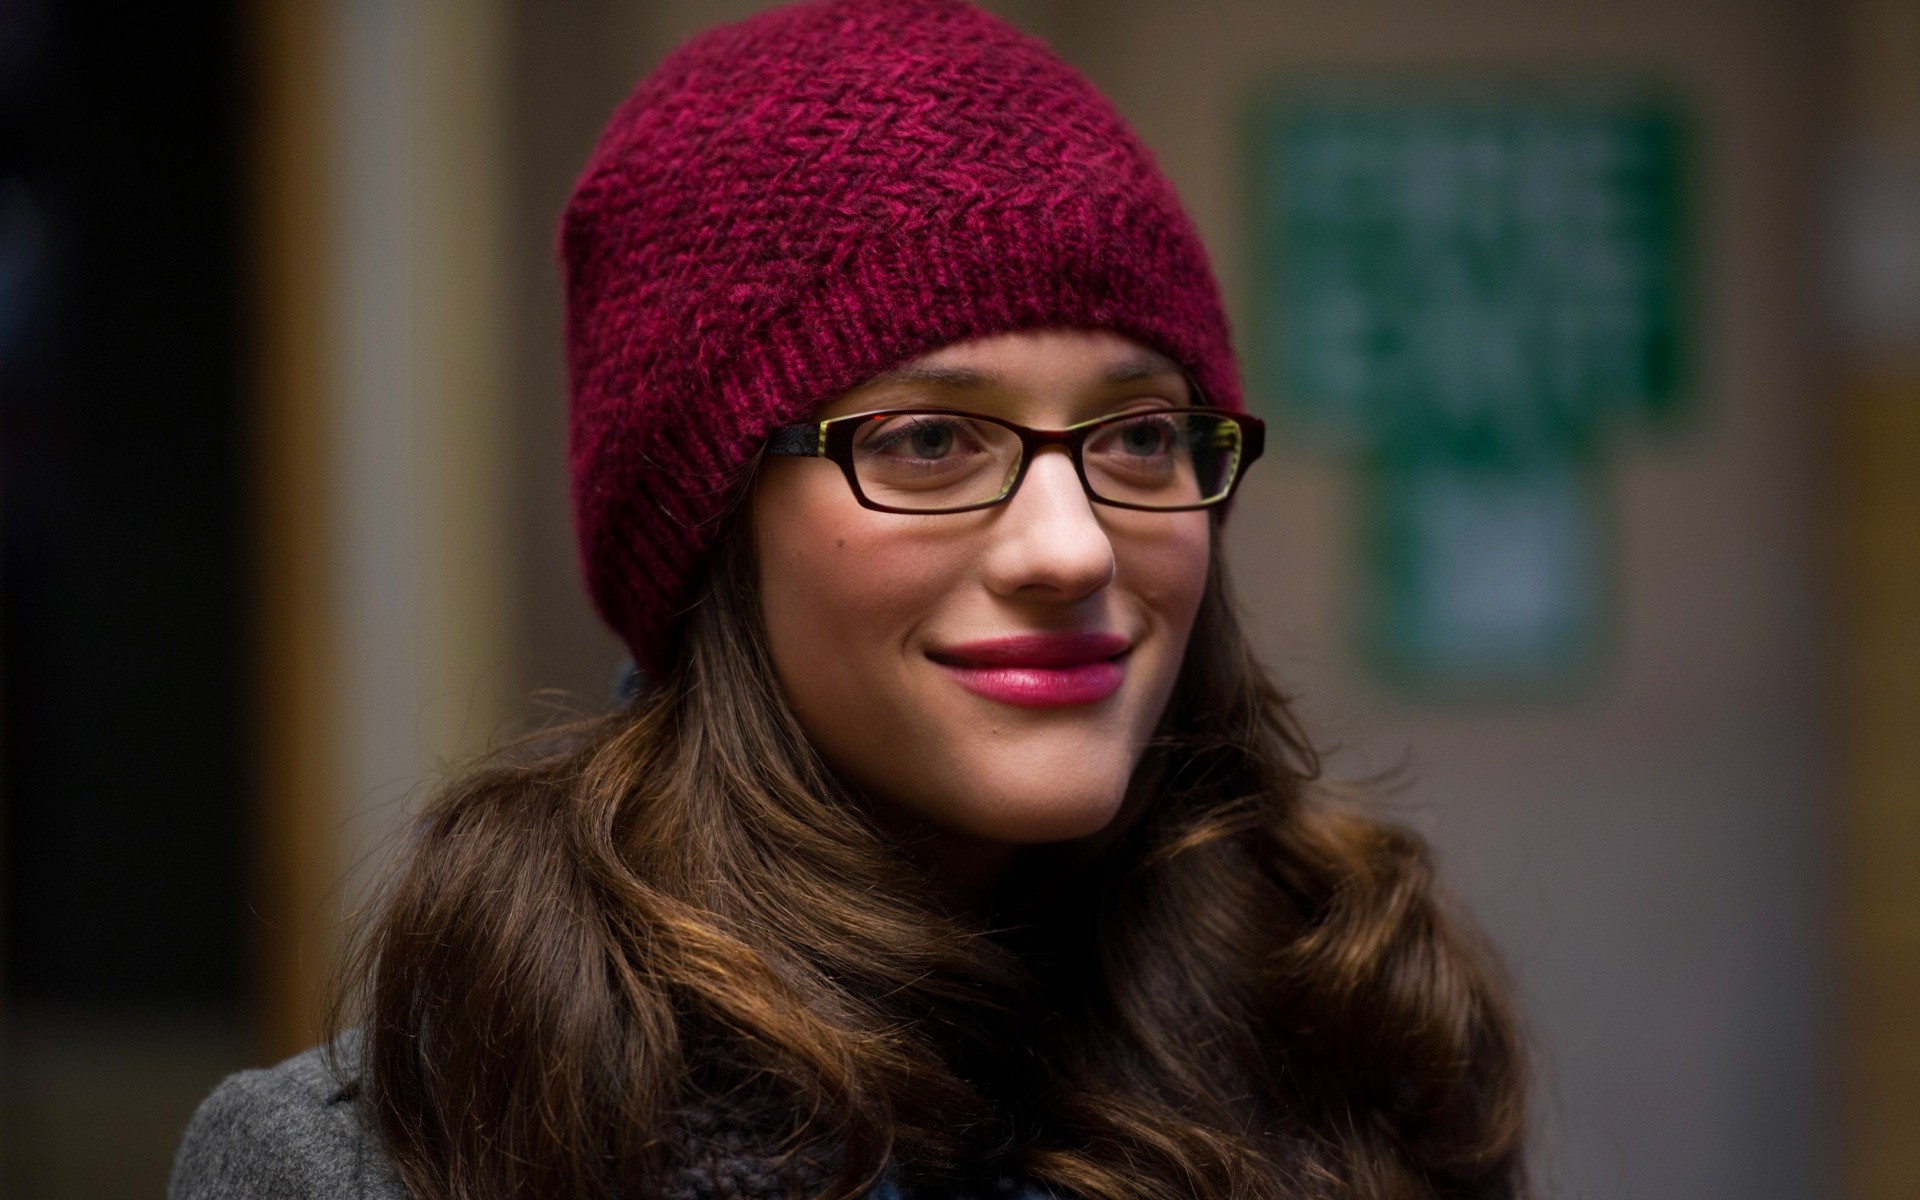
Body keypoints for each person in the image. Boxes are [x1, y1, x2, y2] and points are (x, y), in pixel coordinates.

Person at [171, 1, 1528, 1197]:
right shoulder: (385, 1161)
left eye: (1136, 438)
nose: (1072, 549)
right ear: (711, 529)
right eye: (930, 441)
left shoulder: (1362, 1046)